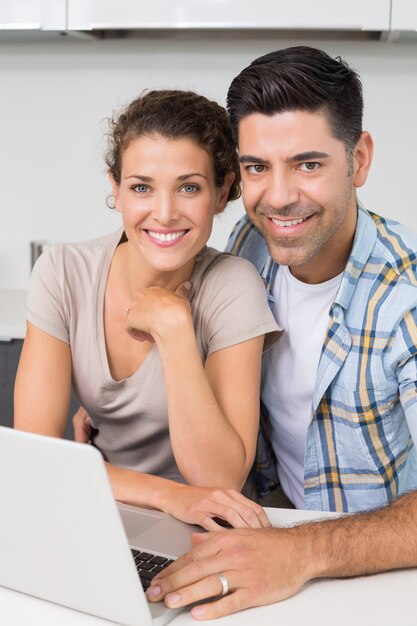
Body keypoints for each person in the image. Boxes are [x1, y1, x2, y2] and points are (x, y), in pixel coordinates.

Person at [146, 47, 417, 618]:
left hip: (378, 575)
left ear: (359, 159)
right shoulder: (250, 246)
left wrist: (300, 552)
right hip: (268, 535)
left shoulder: (406, 300)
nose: (279, 196)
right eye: (257, 168)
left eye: (309, 164)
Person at [14, 89, 280, 531]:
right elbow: (35, 459)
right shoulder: (62, 273)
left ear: (221, 193)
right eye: (141, 187)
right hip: (103, 509)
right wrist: (169, 495)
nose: (164, 213)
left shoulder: (233, 287)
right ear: (115, 190)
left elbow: (219, 480)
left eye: (189, 187)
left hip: (210, 526)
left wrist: (175, 331)